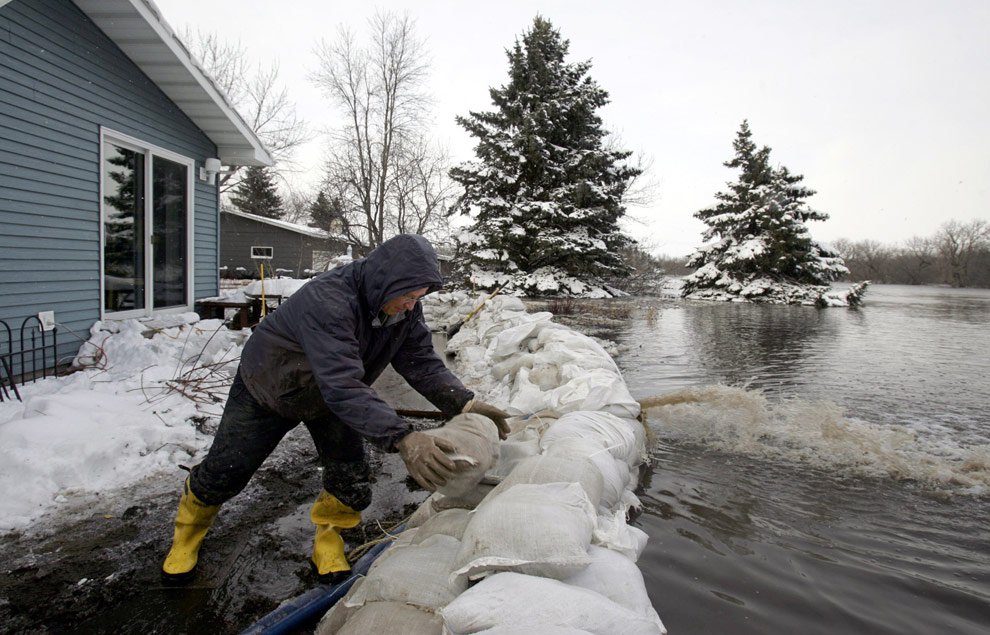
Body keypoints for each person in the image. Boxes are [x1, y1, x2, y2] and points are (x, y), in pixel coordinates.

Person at [162, 234, 509, 583]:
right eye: (407, 295)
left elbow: (419, 360)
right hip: (271, 385)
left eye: (418, 297)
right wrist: (404, 438)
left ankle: (328, 539)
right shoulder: (330, 301)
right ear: (386, 281)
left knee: (350, 476)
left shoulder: (403, 306)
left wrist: (465, 402)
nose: (411, 305)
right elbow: (342, 384)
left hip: (334, 395)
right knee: (227, 470)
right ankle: (187, 534)